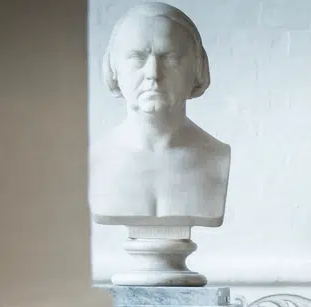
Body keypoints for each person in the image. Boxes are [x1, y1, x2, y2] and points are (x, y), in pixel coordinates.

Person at [91, 2, 229, 225]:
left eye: (170, 58)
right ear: (112, 68)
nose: (153, 73)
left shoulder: (217, 157)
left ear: (198, 67)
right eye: (137, 58)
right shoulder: (96, 160)